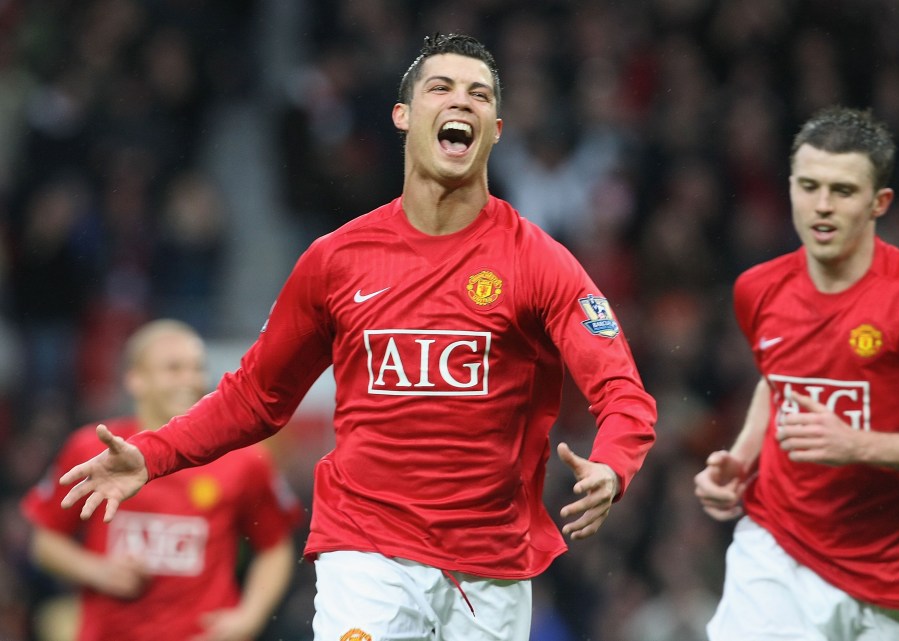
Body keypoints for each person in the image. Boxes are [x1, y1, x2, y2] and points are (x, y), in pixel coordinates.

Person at [57, 34, 658, 641]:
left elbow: (623, 394)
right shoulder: (336, 261)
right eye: (441, 88)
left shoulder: (541, 262)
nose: (462, 102)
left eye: (479, 95)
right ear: (403, 116)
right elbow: (255, 398)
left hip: (490, 563)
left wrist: (611, 466)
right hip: (366, 550)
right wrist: (156, 452)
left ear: (496, 128)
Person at [693, 106, 899, 641]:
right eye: (809, 186)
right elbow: (778, 379)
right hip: (778, 548)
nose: (821, 206)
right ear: (790, 186)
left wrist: (860, 445)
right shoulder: (757, 289)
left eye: (842, 191)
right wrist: (744, 457)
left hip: (894, 573)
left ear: (879, 202)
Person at [22, 319, 302, 641]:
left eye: (197, 368)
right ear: (135, 379)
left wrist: (249, 617)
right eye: (174, 368)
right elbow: (45, 543)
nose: (190, 380)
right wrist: (98, 570)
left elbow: (276, 547)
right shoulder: (91, 449)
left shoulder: (244, 459)